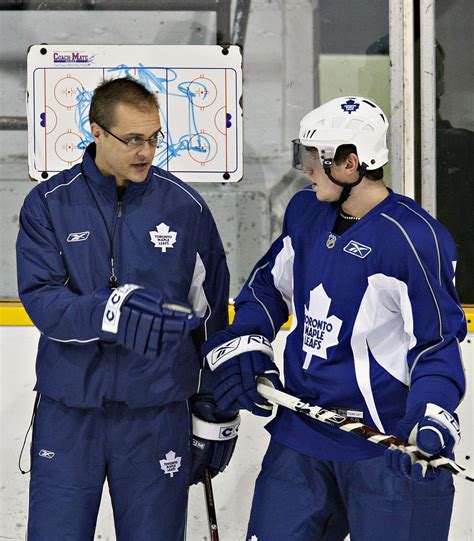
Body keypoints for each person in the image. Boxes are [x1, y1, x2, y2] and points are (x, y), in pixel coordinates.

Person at [203, 96, 466, 540]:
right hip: (301, 436)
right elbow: (268, 287)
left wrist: (432, 413)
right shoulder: (305, 213)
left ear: (350, 163)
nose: (304, 168)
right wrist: (248, 342)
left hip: (381, 444)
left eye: (313, 157)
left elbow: (437, 342)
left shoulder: (414, 239)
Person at [16, 76, 239, 540]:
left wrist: (215, 407)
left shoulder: (185, 209)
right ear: (96, 131)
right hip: (70, 412)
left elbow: (212, 316)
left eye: (154, 138)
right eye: (133, 139)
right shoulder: (49, 205)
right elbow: (43, 301)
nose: (146, 151)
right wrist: (112, 311)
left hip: (156, 415)